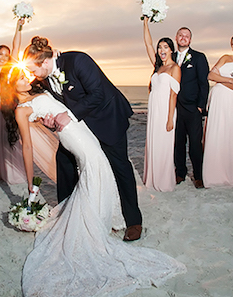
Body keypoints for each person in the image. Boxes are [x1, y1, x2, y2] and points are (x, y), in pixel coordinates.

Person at [0, 65, 185, 297]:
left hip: (80, 126)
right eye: (20, 78)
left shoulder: (40, 90)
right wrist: (31, 184)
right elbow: (27, 147)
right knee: (94, 165)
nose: (27, 77)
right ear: (12, 87)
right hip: (71, 134)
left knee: (100, 166)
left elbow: (60, 106)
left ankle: (102, 214)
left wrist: (51, 123)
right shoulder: (21, 110)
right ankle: (93, 220)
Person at [24, 36, 143, 241]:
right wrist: (49, 119)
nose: (31, 75)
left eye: (33, 70)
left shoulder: (78, 60)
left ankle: (134, 221)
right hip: (81, 125)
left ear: (44, 62)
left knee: (120, 166)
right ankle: (67, 214)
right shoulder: (43, 77)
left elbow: (97, 94)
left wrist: (67, 115)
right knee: (64, 161)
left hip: (107, 118)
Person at [0, 19, 58, 185]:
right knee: (1, 142)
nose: (4, 57)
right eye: (1, 54)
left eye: (6, 54)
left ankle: (13, 173)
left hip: (9, 107)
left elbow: (16, 45)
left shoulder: (11, 70)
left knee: (14, 141)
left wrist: (19, 27)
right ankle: (0, 171)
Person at [202, 34, 233, 188]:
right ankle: (214, 174)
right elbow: (210, 75)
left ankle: (232, 173)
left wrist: (221, 79)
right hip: (217, 101)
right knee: (216, 134)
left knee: (230, 134)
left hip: (231, 102)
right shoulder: (225, 58)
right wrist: (230, 80)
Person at [141, 17, 181, 192]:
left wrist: (170, 118)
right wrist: (145, 24)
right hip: (154, 111)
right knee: (153, 144)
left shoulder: (174, 68)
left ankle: (164, 182)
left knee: (164, 147)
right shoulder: (157, 67)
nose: (161, 50)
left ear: (171, 50)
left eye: (165, 47)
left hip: (166, 112)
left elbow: (173, 95)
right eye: (160, 47)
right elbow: (148, 45)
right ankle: (152, 179)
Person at [172, 26, 209, 188]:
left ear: (190, 40)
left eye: (186, 36)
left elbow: (203, 83)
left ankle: (198, 176)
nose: (183, 37)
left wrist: (201, 106)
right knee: (178, 143)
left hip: (193, 109)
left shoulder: (199, 57)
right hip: (175, 109)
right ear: (176, 37)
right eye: (180, 35)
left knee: (195, 144)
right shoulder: (170, 57)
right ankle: (180, 173)